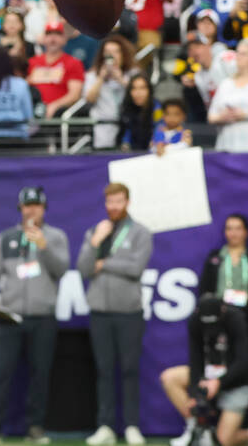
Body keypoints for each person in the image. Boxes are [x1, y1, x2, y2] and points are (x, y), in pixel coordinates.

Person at [0, 187, 69, 445]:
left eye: (36, 205)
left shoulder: (55, 237)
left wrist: (44, 247)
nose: (31, 210)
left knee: (40, 374)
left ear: (44, 208)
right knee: (0, 373)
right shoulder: (7, 237)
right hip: (9, 316)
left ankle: (35, 427)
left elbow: (62, 270)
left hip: (43, 316)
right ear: (20, 209)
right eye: (27, 206)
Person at [78, 183, 154, 446]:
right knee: (104, 370)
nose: (114, 207)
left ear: (127, 202)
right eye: (110, 202)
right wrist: (95, 242)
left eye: (118, 201)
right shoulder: (96, 231)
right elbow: (84, 269)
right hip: (100, 311)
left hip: (129, 312)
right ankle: (106, 426)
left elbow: (136, 268)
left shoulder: (141, 232)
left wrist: (105, 263)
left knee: (130, 369)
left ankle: (132, 425)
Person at [160, 295, 248, 446]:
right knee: (170, 377)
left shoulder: (237, 319)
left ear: (222, 311)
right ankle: (195, 429)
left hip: (235, 383)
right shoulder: (195, 321)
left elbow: (244, 363)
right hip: (207, 377)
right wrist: (194, 393)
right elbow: (195, 359)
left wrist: (219, 382)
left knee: (222, 441)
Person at [200, 214, 248, 352]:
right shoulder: (215, 256)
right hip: (218, 317)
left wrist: (247, 308)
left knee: (243, 361)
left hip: (246, 318)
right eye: (229, 228)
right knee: (218, 359)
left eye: (238, 228)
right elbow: (204, 289)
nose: (233, 233)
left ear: (246, 232)